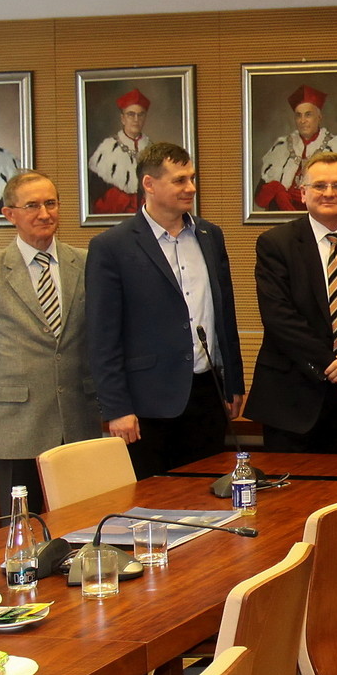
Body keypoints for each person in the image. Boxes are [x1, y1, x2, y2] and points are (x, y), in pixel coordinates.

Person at [86, 142, 244, 478]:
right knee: (153, 500)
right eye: (179, 180)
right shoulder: (112, 246)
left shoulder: (209, 235)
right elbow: (102, 337)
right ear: (149, 184)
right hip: (147, 404)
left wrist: (233, 382)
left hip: (207, 396)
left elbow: (224, 315)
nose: (191, 188)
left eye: (192, 178)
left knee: (208, 496)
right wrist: (117, 408)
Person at [0, 170, 99, 508]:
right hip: (17, 424)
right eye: (32, 205)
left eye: (51, 203)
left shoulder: (88, 264)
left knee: (82, 521)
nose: (44, 214)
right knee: (23, 526)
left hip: (78, 419)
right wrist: (2, 395)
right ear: (10, 214)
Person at [245, 151, 337, 453]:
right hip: (290, 401)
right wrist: (333, 367)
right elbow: (279, 318)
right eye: (319, 185)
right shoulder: (275, 243)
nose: (329, 193)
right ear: (303, 193)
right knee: (289, 485)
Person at [255, 84, 337, 212]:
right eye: (298, 115)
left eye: (308, 115)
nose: (302, 121)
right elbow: (259, 198)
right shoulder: (281, 147)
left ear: (319, 117)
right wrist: (277, 190)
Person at [88, 88, 152, 215]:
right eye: (131, 114)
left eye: (140, 114)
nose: (136, 119)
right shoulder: (107, 149)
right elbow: (96, 194)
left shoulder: (153, 149)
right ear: (123, 118)